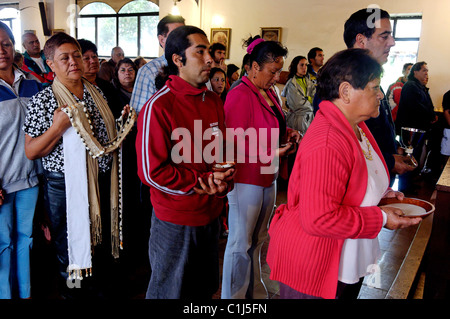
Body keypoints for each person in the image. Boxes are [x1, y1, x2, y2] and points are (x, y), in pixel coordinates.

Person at [267, 48, 422, 300]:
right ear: (346, 91)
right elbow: (318, 219)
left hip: (346, 257)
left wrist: (383, 197)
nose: (381, 95)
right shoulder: (328, 140)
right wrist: (381, 218)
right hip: (315, 261)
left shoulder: (357, 126)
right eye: (374, 87)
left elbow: (356, 182)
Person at [23, 32, 135, 299]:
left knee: (100, 247)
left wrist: (122, 124)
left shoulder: (96, 92)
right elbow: (31, 150)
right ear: (50, 64)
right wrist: (56, 128)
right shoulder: (44, 100)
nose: (73, 62)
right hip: (65, 186)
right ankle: (72, 295)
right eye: (64, 58)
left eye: (76, 55)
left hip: (101, 180)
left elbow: (103, 139)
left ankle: (97, 292)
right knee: (71, 250)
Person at [136, 25, 235, 299]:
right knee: (170, 291)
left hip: (211, 213)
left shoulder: (213, 100)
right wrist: (200, 183)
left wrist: (225, 175)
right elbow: (150, 172)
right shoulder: (159, 106)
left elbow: (220, 150)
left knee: (203, 288)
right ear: (178, 60)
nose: (210, 60)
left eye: (209, 52)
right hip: (176, 218)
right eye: (199, 52)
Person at [221, 36, 301, 299]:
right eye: (272, 71)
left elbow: (270, 125)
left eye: (279, 71)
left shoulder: (268, 92)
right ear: (254, 67)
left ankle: (253, 292)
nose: (277, 77)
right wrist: (268, 152)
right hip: (247, 178)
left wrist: (286, 133)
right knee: (239, 243)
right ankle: (232, 297)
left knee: (258, 240)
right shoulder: (239, 94)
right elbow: (233, 140)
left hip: (268, 174)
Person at [344, 8, 414, 186]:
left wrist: (392, 148)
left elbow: (373, 130)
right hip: (358, 189)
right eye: (384, 36)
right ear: (361, 40)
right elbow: (345, 145)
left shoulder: (368, 76)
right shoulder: (343, 81)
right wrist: (389, 161)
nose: (392, 42)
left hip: (377, 182)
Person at [0, 21, 43, 299]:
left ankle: (25, 294)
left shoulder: (32, 84)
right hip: (2, 183)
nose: (1, 50)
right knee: (2, 244)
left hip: (29, 180)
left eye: (5, 43)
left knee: (25, 241)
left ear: (13, 46)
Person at [395, 62, 438, 192]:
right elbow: (417, 106)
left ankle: (410, 182)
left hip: (418, 129)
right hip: (410, 129)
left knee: (415, 156)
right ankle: (404, 187)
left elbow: (427, 105)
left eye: (427, 70)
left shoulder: (420, 87)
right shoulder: (410, 86)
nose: (426, 73)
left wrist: (433, 115)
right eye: (424, 70)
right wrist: (430, 116)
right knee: (409, 156)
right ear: (415, 72)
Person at [130, 14, 185, 114]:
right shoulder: (149, 71)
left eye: (184, 36)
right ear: (162, 40)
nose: (182, 40)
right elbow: (139, 114)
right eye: (175, 35)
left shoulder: (194, 67)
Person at [77, 38, 122, 117]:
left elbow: (117, 112)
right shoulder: (76, 88)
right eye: (86, 58)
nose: (93, 61)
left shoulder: (107, 87)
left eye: (94, 57)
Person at [281, 55, 316, 135]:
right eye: (301, 65)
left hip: (309, 117)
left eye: (306, 65)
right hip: (297, 119)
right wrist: (310, 100)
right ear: (295, 66)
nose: (304, 67)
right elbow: (298, 104)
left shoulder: (308, 82)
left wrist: (307, 99)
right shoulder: (291, 84)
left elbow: (315, 97)